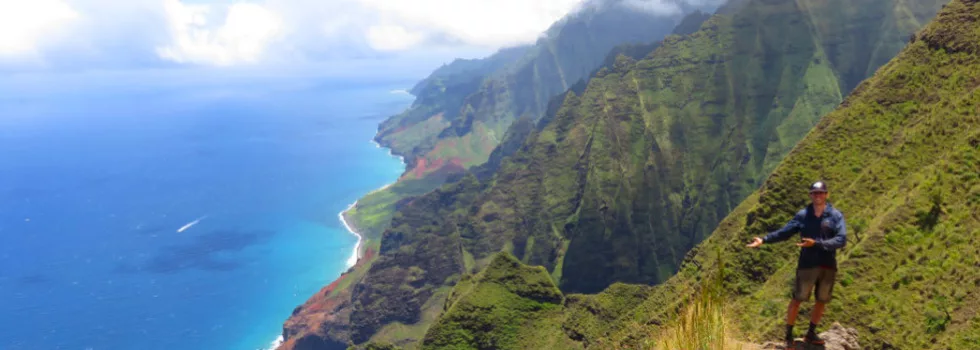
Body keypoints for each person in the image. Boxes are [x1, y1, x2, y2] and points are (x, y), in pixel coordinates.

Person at [746, 180, 847, 347]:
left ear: (826, 195)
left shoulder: (835, 216)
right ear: (810, 195)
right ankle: (789, 335)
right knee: (798, 299)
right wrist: (764, 240)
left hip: (828, 265)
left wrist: (817, 243)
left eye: (821, 193)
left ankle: (811, 333)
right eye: (815, 193)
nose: (818, 196)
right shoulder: (803, 215)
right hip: (807, 264)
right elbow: (785, 232)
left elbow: (841, 239)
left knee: (821, 300)